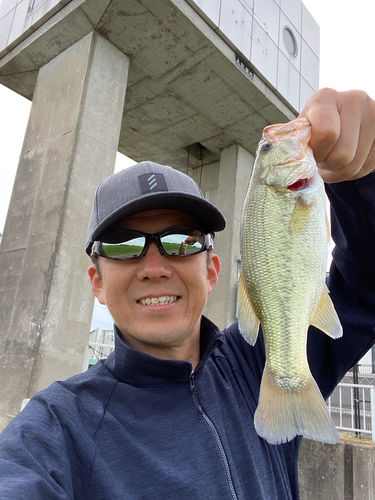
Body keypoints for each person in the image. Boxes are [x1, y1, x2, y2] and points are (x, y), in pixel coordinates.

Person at [0, 88, 374, 500]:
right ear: (97, 283)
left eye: (181, 241)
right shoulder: (55, 428)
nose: (155, 268)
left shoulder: (260, 361)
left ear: (212, 271)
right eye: (124, 244)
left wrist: (359, 181)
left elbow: (366, 282)